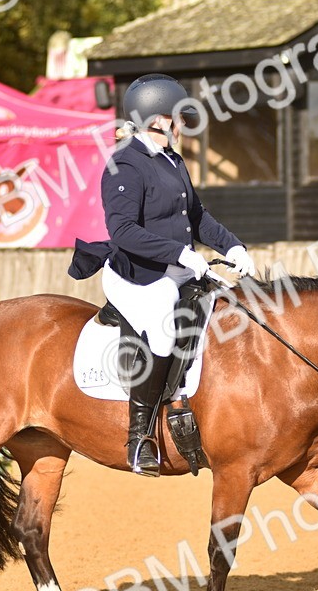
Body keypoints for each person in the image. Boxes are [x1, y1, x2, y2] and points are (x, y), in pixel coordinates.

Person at [70, 73, 256, 477]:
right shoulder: (124, 164)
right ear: (157, 119)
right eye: (179, 117)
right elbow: (122, 232)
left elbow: (197, 216)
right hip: (137, 276)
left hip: (177, 269)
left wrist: (233, 246)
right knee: (165, 328)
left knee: (228, 310)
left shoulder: (172, 160)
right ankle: (139, 439)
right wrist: (181, 255)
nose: (184, 124)